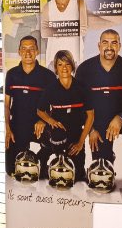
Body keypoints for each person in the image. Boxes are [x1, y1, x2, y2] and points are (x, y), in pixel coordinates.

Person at [76, 29, 122, 169]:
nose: (109, 47)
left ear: (119, 46)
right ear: (99, 46)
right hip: (96, 122)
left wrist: (121, 117)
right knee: (102, 165)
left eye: (114, 43)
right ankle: (105, 159)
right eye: (105, 42)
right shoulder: (84, 69)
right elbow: (78, 104)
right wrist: (91, 129)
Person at [34, 50, 94, 183]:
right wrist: (50, 121)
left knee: (77, 175)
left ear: (72, 66)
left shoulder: (82, 87)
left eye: (67, 64)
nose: (64, 68)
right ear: (56, 68)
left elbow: (90, 116)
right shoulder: (51, 88)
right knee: (63, 166)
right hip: (57, 132)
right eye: (60, 64)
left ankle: (65, 157)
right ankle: (48, 156)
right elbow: (40, 110)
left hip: (76, 133)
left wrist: (80, 143)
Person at [4, 36, 56, 177]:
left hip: (40, 126)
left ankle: (40, 162)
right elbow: (7, 105)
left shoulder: (48, 76)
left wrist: (44, 120)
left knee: (57, 143)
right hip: (18, 125)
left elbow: (56, 105)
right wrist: (8, 128)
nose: (28, 53)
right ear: (19, 51)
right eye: (24, 49)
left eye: (31, 49)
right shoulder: (11, 74)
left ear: (37, 51)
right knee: (11, 170)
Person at [39, 0, 86, 64]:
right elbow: (44, 32)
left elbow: (83, 30)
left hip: (75, 58)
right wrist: (72, 27)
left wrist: (55, 28)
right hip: (53, 58)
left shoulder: (79, 2)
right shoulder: (47, 6)